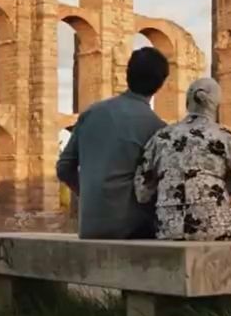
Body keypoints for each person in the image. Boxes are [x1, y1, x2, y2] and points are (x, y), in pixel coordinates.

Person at [57, 46, 170, 239]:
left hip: (90, 227)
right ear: (160, 84)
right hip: (132, 230)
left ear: (127, 75)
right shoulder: (157, 128)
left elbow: (63, 168)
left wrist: (92, 195)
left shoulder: (92, 113)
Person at [134, 77, 231, 241]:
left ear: (187, 103)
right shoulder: (225, 138)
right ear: (216, 106)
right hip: (217, 229)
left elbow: (142, 192)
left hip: (168, 230)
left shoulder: (162, 136)